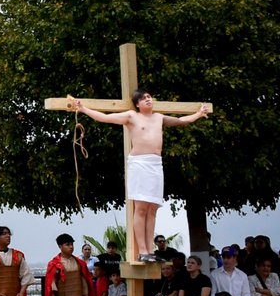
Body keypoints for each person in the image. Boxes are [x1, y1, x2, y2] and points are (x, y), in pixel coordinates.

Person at [68, 91, 210, 262]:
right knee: (141, 208)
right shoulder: (131, 116)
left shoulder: (159, 117)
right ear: (137, 104)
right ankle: (142, 250)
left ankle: (150, 249)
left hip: (156, 164)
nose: (148, 99)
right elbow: (105, 117)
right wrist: (83, 108)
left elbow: (180, 121)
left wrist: (199, 114)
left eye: (149, 97)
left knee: (153, 209)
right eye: (144, 98)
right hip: (140, 163)